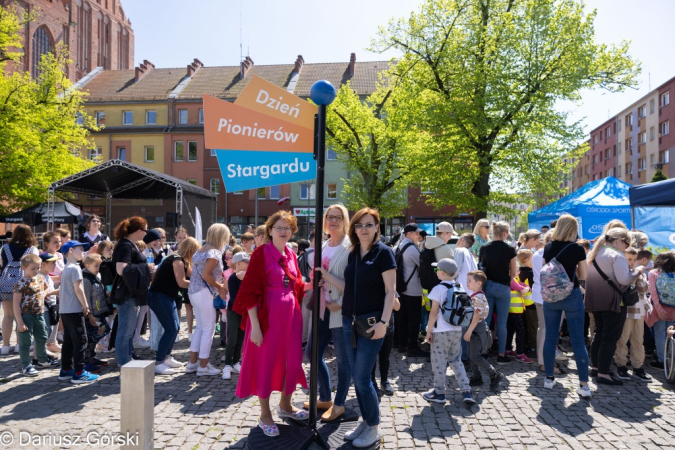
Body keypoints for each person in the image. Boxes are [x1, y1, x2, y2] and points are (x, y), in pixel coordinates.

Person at [234, 210, 312, 438]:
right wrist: (255, 327)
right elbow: (248, 293)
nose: (284, 231)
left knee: (292, 361)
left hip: (291, 316)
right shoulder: (261, 254)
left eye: (288, 228)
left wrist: (312, 284)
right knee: (266, 364)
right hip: (267, 319)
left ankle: (285, 406)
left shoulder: (290, 252)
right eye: (279, 227)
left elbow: (295, 284)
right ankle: (265, 414)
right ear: (269, 230)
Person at [339, 207, 395, 448]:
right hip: (349, 321)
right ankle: (366, 420)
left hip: (373, 324)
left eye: (369, 224)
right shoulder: (353, 253)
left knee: (362, 378)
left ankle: (373, 427)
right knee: (357, 376)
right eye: (360, 224)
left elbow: (391, 291)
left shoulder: (384, 253)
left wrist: (384, 322)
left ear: (377, 228)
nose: (364, 229)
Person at [304, 204, 352, 421]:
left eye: (338, 217)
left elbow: (354, 283)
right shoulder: (323, 245)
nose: (333, 220)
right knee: (312, 353)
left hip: (340, 310)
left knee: (343, 360)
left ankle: (340, 403)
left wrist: (339, 301)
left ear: (345, 220)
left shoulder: (350, 247)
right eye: (329, 216)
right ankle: (325, 397)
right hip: (323, 309)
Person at [585, 226, 643, 386]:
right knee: (610, 337)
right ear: (619, 241)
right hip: (613, 301)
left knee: (599, 333)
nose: (626, 247)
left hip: (596, 299)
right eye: (626, 243)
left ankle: (596, 367)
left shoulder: (596, 252)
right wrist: (637, 270)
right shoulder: (616, 255)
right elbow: (624, 280)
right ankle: (603, 373)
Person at [540, 215, 590, 396]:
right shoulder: (577, 248)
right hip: (572, 294)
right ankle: (584, 385)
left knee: (550, 337)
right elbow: (584, 275)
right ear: (573, 230)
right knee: (577, 340)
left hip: (551, 296)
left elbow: (546, 270)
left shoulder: (548, 247)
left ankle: (549, 378)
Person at [422, 258, 475, 405]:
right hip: (456, 330)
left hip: (440, 331)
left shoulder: (438, 289)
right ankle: (466, 390)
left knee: (439, 362)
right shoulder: (460, 287)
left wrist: (428, 330)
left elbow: (433, 313)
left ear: (443, 272)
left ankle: (439, 393)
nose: (436, 272)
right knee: (456, 360)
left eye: (437, 269)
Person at [148, 237, 199, 375]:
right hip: (159, 296)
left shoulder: (181, 260)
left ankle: (166, 357)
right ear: (190, 250)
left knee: (175, 328)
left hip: (166, 296)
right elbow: (182, 282)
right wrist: (200, 284)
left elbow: (194, 275)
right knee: (170, 329)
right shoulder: (177, 259)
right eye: (195, 251)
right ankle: (159, 362)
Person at [185, 224, 230, 376]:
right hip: (204, 292)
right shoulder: (214, 252)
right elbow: (206, 275)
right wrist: (220, 287)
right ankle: (203, 366)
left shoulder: (200, 250)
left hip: (194, 291)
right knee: (208, 329)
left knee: (201, 327)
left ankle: (193, 363)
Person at [58, 240, 100, 384]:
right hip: (73, 309)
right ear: (70, 251)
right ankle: (79, 372)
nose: (83, 251)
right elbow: (78, 289)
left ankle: (66, 369)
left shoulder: (67, 268)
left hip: (65, 309)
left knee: (69, 341)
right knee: (81, 340)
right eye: (80, 249)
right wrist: (86, 306)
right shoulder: (75, 268)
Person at [112, 217, 151, 368]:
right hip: (127, 293)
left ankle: (128, 360)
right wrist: (146, 268)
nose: (146, 233)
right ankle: (124, 363)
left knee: (128, 330)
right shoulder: (125, 245)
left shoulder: (129, 244)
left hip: (131, 292)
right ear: (138, 231)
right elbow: (121, 269)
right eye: (145, 230)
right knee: (125, 331)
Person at [14, 253, 60, 376]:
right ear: (24, 268)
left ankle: (42, 360)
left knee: (42, 337)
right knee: (26, 342)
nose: (36, 270)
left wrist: (43, 295)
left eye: (38, 268)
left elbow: (46, 288)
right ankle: (26, 365)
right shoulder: (20, 283)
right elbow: (16, 304)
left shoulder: (40, 278)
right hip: (26, 316)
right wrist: (20, 322)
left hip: (39, 314)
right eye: (33, 268)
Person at [479, 221, 517, 364]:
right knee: (502, 322)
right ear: (505, 233)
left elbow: (481, 268)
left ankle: (484, 351)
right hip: (503, 287)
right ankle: (501, 354)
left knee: (486, 321)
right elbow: (513, 272)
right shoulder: (509, 249)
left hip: (488, 285)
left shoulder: (484, 248)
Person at [1, 224, 39, 354]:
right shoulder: (32, 249)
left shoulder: (5, 247)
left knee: (7, 315)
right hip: (23, 286)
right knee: (20, 316)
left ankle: (5, 346)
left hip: (6, 285)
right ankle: (19, 344)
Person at [614, 248, 651, 381]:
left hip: (639, 309)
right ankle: (621, 365)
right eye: (629, 259)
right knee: (622, 339)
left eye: (634, 259)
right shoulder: (621, 271)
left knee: (638, 340)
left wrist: (639, 275)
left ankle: (638, 366)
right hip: (626, 309)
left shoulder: (639, 272)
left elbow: (644, 289)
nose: (632, 262)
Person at [463, 270, 502, 389]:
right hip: (473, 328)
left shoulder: (478, 297)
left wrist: (469, 331)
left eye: (470, 281)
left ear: (479, 283)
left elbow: (477, 315)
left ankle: (494, 374)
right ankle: (476, 376)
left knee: (475, 356)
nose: (467, 282)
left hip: (476, 329)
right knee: (471, 355)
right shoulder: (474, 295)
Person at [396, 223, 427, 358]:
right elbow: (422, 265)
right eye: (416, 233)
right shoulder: (412, 248)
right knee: (415, 319)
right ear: (409, 234)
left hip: (401, 288)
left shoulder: (399, 245)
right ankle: (413, 347)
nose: (418, 235)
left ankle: (401, 344)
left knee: (402, 318)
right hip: (413, 289)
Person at [81, 252, 111, 373]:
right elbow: (86, 299)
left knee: (98, 335)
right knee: (91, 338)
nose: (98, 269)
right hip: (92, 314)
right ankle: (86, 361)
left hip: (98, 312)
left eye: (100, 266)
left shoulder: (95, 277)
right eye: (96, 266)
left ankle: (92, 357)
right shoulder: (86, 279)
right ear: (87, 265)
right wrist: (90, 315)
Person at [645, 251, 675, 370]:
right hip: (673, 308)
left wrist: (659, 309)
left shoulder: (653, 273)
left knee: (660, 334)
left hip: (659, 308)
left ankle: (661, 361)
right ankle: (671, 359)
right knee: (672, 334)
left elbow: (653, 293)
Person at [223, 251, 249, 380]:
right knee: (232, 339)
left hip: (244, 312)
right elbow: (234, 298)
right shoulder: (233, 278)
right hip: (234, 312)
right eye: (246, 262)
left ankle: (236, 362)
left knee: (240, 339)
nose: (249, 265)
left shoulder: (248, 277)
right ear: (238, 263)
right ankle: (227, 364)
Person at [506, 250, 533, 364]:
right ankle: (520, 353)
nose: (518, 272)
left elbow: (525, 286)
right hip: (514, 311)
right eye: (516, 270)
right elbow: (523, 289)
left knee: (511, 330)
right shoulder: (511, 281)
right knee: (520, 331)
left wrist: (526, 288)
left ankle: (508, 350)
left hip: (515, 311)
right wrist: (526, 289)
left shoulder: (515, 280)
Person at [519, 230, 542, 358]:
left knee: (527, 326)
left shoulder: (521, 270)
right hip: (531, 303)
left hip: (523, 303)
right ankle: (532, 348)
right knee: (533, 326)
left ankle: (526, 346)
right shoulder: (529, 272)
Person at [38, 252, 61, 354]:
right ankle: (40, 352)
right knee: (44, 331)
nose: (55, 265)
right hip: (45, 309)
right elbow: (40, 294)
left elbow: (51, 280)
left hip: (52, 307)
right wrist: (54, 292)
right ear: (43, 264)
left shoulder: (46, 275)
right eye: (52, 263)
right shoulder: (39, 277)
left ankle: (50, 345)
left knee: (52, 327)